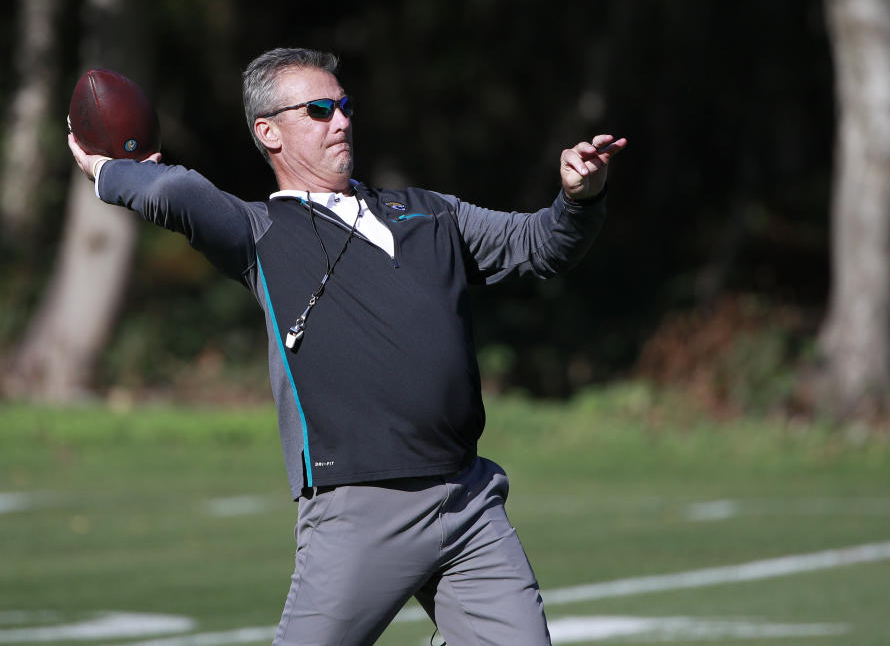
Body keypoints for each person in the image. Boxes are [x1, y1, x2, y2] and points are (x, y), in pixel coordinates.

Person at [68, 47, 626, 646]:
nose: (341, 120)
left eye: (344, 105)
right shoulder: (259, 232)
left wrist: (579, 198)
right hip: (359, 511)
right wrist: (110, 169)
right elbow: (176, 194)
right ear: (269, 133)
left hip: (468, 501)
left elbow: (540, 245)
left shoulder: (429, 213)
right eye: (318, 109)